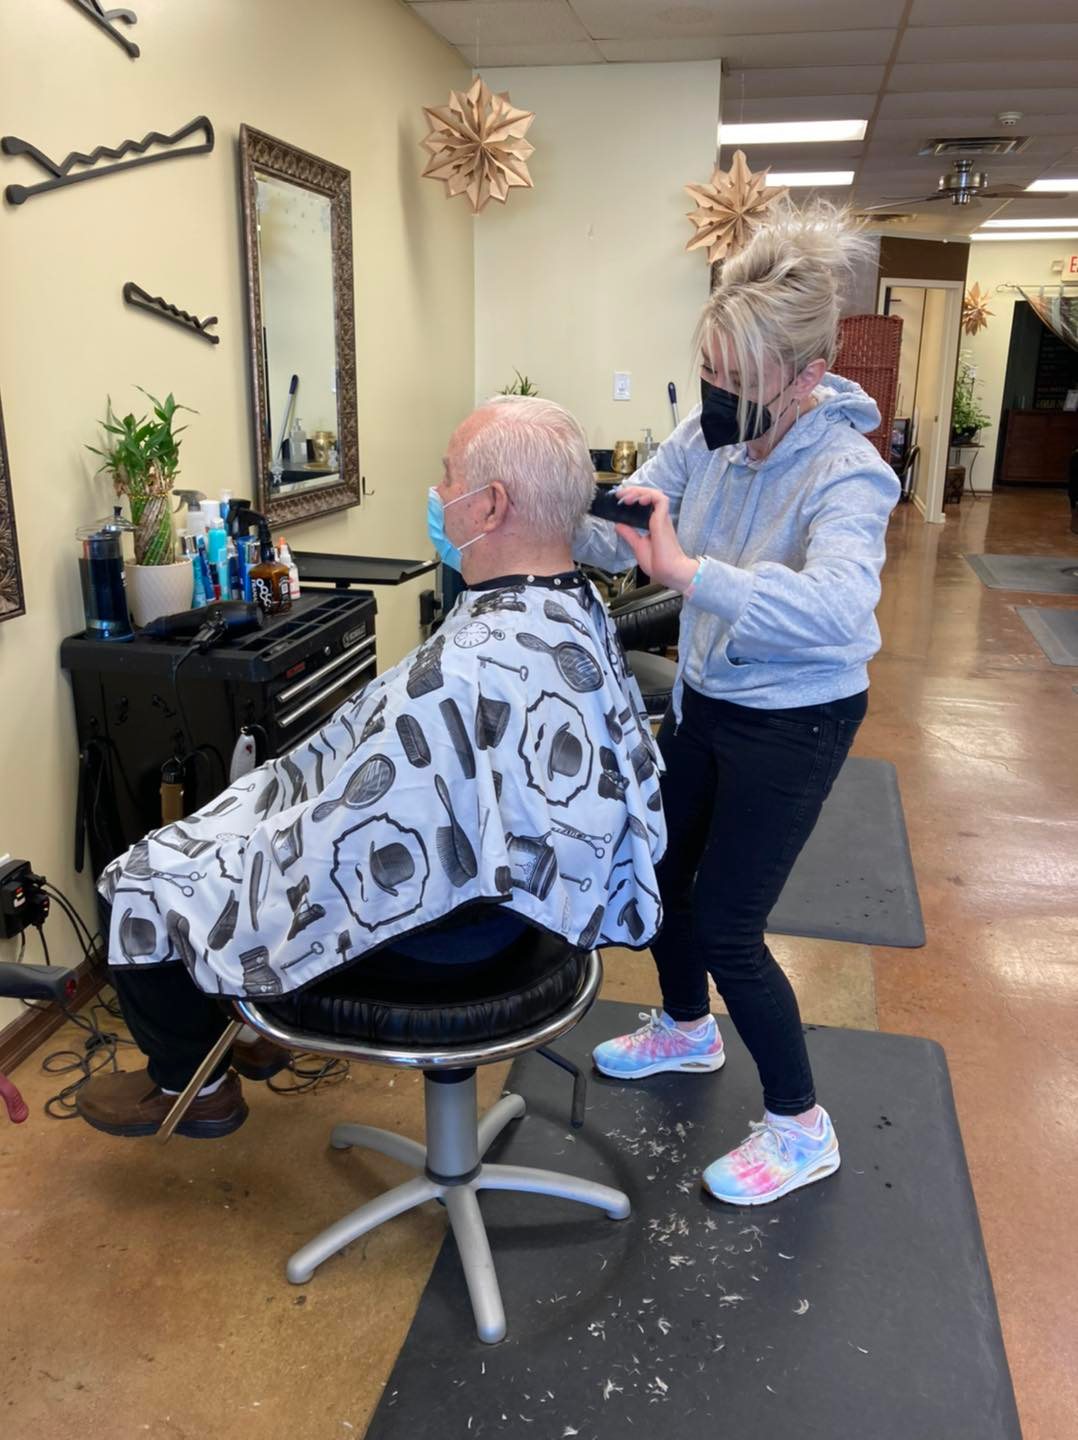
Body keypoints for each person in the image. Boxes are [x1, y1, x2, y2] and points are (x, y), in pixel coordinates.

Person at [78, 397, 665, 1139]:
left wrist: (263, 844)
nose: (437, 492)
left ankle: (193, 1085)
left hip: (452, 938)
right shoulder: (575, 606)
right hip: (530, 904)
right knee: (248, 825)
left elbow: (349, 857)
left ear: (490, 505)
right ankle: (242, 1029)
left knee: (146, 871)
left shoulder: (467, 668)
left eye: (447, 476)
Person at [574, 203, 900, 1207]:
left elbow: (840, 608)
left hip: (799, 717)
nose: (715, 396)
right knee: (661, 876)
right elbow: (625, 529)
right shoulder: (704, 438)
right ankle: (686, 1028)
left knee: (727, 925)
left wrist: (690, 573)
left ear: (804, 378)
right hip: (708, 696)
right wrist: (527, 513)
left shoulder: (850, 474)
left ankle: (802, 1127)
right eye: (708, 371)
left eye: (738, 381)